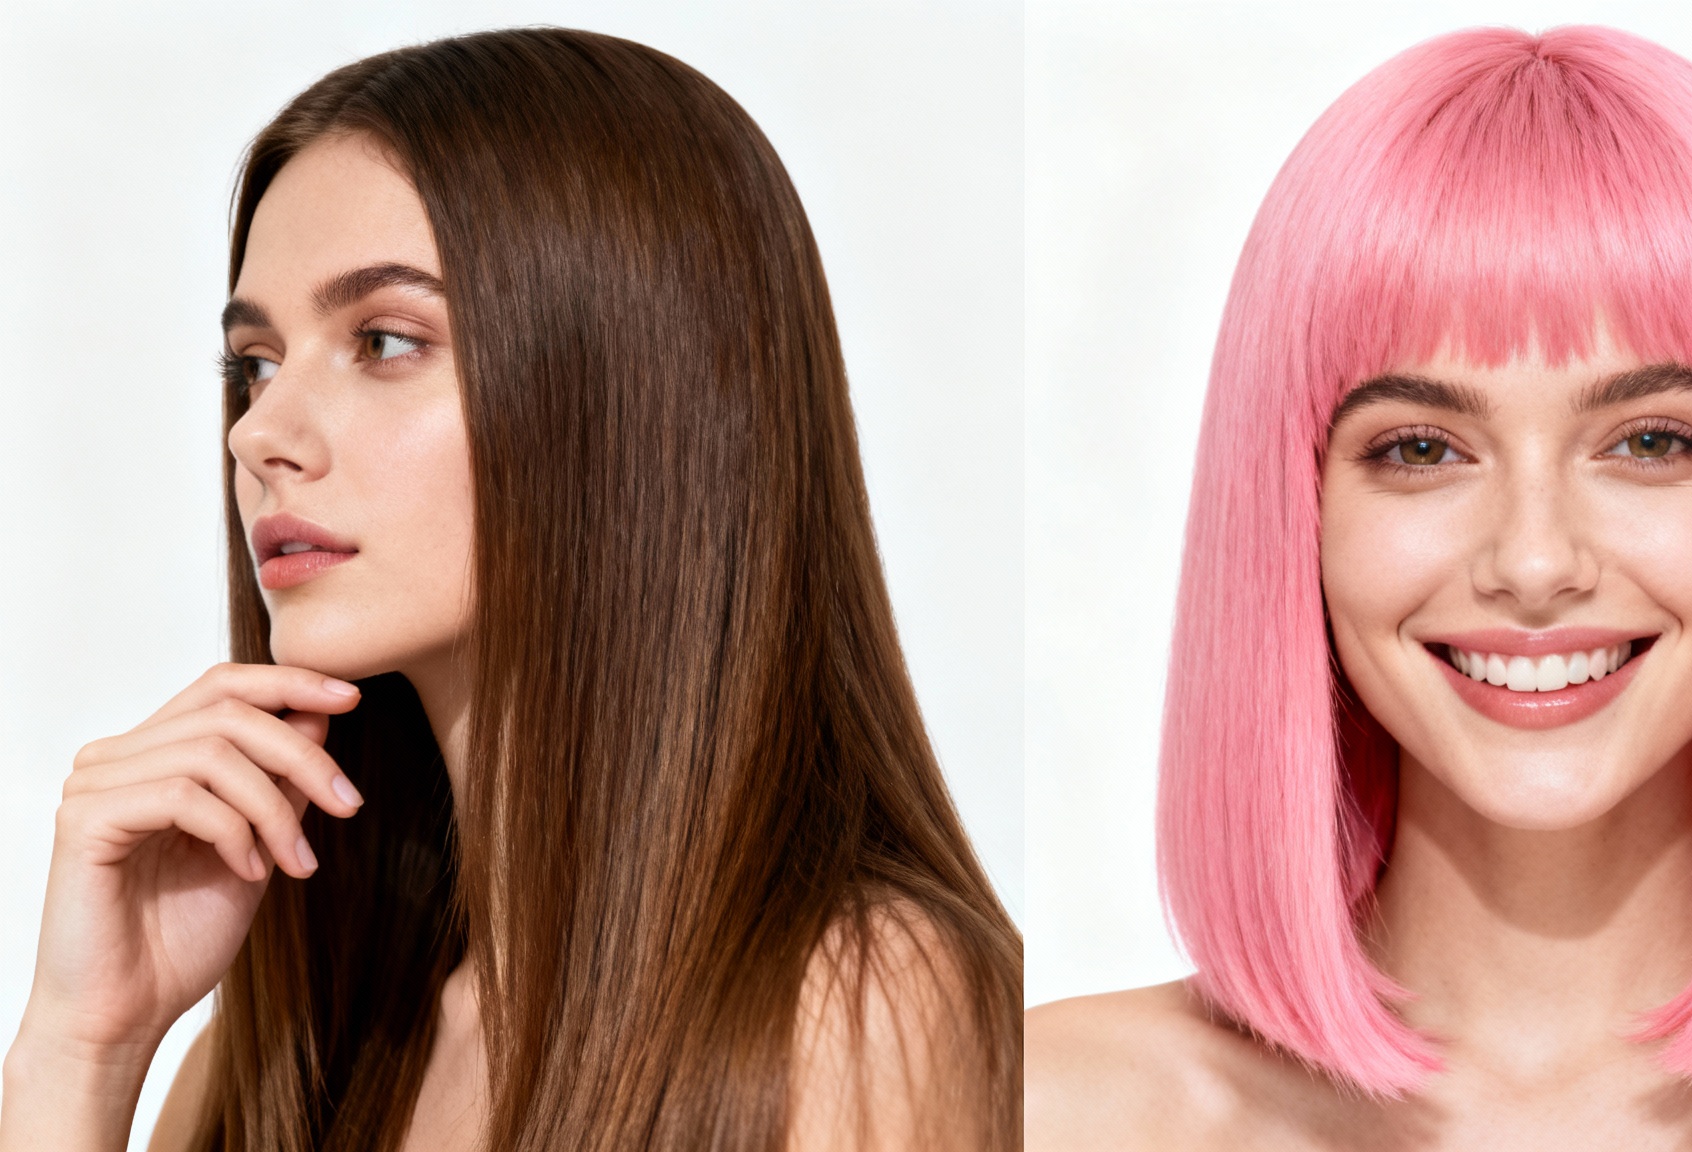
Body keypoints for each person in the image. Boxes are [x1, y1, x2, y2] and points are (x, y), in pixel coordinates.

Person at [1026, 25, 1692, 1149]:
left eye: (1648, 441)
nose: (1531, 563)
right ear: (1295, 515)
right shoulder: (1044, 1108)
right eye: (1420, 449)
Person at [0, 28, 1019, 1152]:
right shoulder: (271, 1056)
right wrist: (79, 1049)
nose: (260, 434)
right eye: (256, 364)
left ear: (630, 388)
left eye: (384, 341)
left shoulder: (860, 1006)